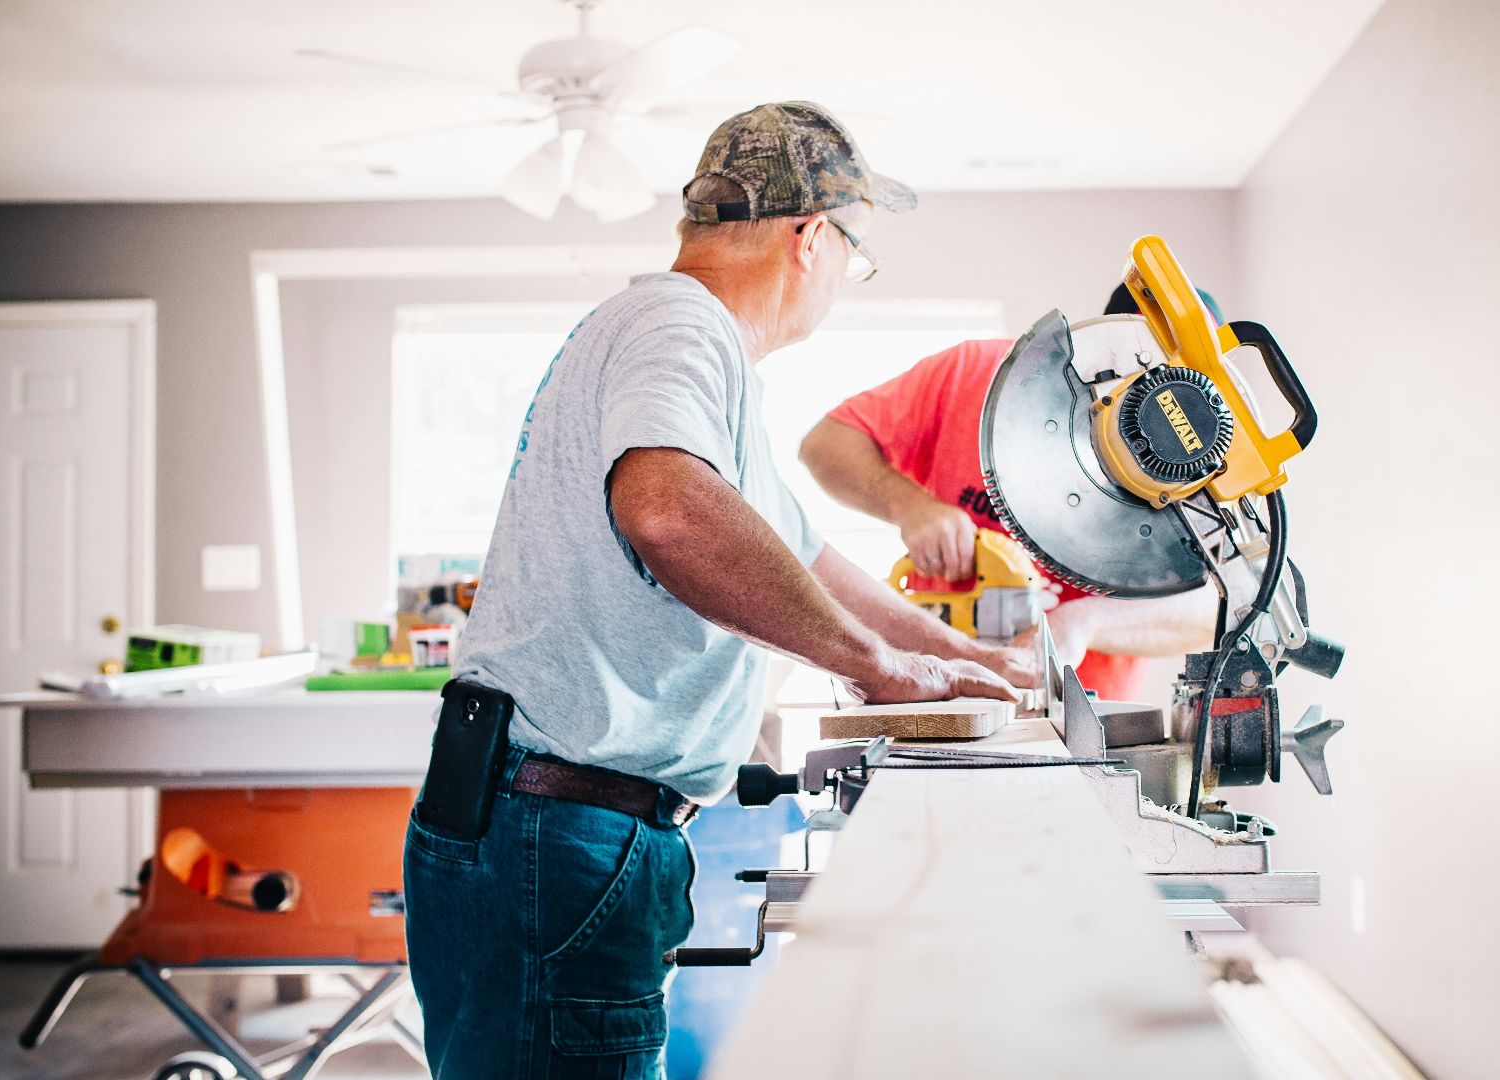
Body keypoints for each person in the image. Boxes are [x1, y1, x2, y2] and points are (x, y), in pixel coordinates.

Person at [402, 101, 1036, 1080]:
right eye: (855, 259)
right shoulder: (678, 322)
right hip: (559, 831)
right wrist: (876, 669)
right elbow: (668, 511)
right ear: (813, 238)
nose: (841, 284)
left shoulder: (689, 354)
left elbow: (806, 556)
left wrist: (960, 659)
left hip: (555, 825)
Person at [799, 284, 1230, 702]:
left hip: (1082, 716)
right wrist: (910, 505)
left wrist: (1086, 622)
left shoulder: (1199, 464)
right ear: (1098, 338)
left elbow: (1220, 607)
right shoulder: (975, 373)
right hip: (935, 689)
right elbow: (825, 445)